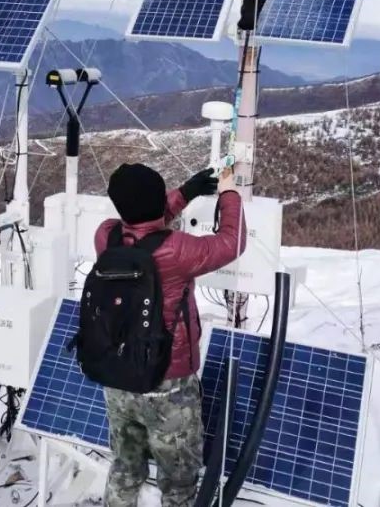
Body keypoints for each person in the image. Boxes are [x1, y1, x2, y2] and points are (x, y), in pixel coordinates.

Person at [96, 162, 247, 507]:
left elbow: (141, 219)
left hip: (119, 378)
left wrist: (186, 193)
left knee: (124, 468)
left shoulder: (105, 236)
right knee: (178, 483)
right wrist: (229, 193)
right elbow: (231, 241)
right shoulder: (179, 251)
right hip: (169, 385)